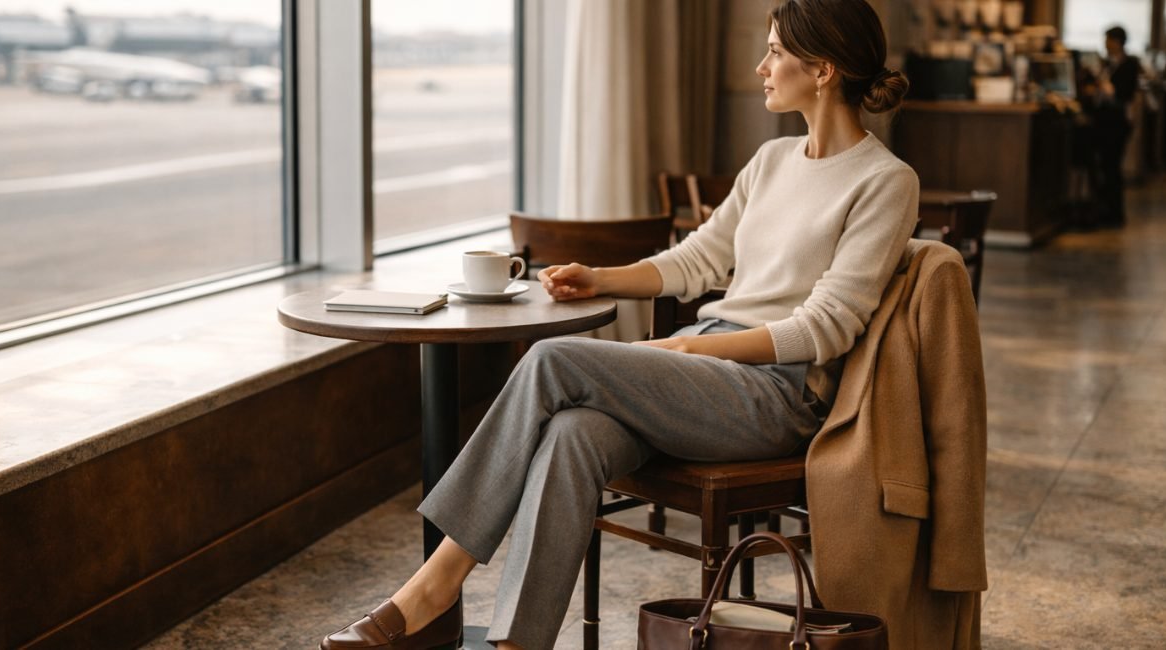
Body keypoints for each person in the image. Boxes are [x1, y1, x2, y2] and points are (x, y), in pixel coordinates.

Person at [321, 1, 918, 648]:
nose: (761, 66)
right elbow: (699, 259)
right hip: (711, 371)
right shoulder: (772, 159)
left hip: (779, 393)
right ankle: (517, 642)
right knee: (573, 433)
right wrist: (601, 276)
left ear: (824, 69)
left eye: (774, 51)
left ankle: (433, 590)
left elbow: (828, 327)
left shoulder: (885, 181)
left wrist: (691, 348)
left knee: (553, 359)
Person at [1086, 26, 1141, 227]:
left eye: (1108, 40)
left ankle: (1115, 213)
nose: (1106, 44)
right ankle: (1104, 209)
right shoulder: (1106, 63)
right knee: (1103, 166)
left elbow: (1125, 93)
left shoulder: (1130, 64)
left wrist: (1106, 88)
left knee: (1112, 167)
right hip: (1103, 122)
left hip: (1117, 124)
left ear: (1117, 42)